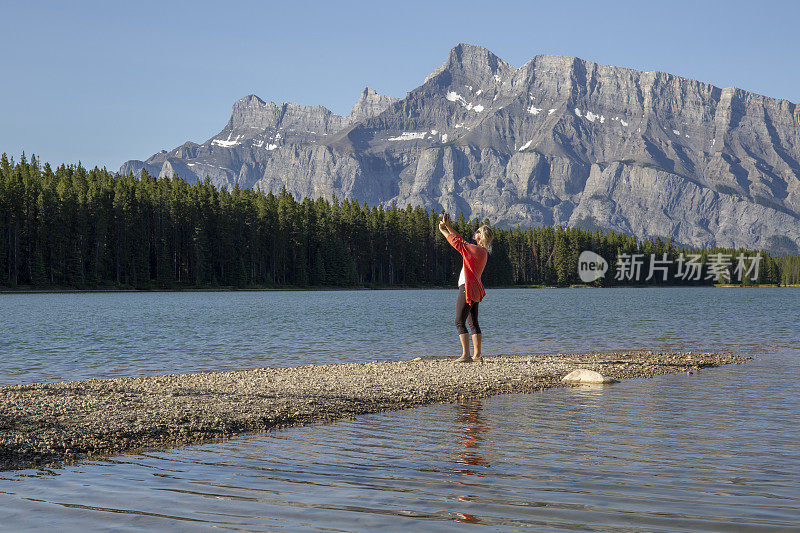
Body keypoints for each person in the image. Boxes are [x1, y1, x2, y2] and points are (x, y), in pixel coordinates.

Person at [438, 214, 494, 362]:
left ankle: (466, 355)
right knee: (473, 322)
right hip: (476, 289)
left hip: (467, 287)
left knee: (458, 321)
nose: (474, 233)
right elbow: (461, 241)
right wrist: (448, 226)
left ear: (480, 237)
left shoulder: (474, 250)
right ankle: (477, 355)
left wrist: (442, 231)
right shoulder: (482, 251)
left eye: (477, 231)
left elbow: (457, 243)